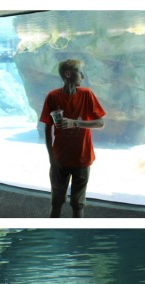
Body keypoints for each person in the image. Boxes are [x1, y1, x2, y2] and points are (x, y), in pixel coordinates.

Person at [40, 59, 106, 218]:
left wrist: (74, 122)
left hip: (82, 158)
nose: (83, 76)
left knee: (78, 203)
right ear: (68, 74)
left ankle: (78, 237)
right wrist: (51, 158)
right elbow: (47, 128)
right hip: (59, 159)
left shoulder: (87, 94)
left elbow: (100, 123)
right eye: (80, 72)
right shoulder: (52, 97)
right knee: (56, 201)